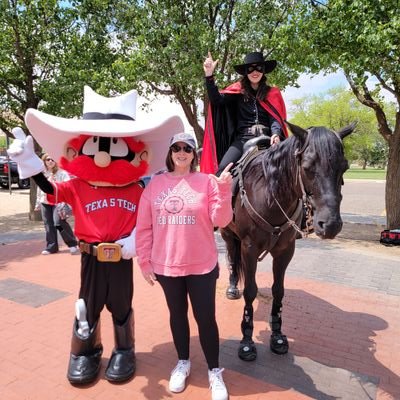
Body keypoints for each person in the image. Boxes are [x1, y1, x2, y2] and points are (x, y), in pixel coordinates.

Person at [7, 85, 184, 385]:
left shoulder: (138, 188)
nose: (102, 157)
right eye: (95, 147)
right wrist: (31, 164)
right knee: (87, 303)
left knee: (121, 302)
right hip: (90, 256)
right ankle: (85, 350)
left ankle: (125, 349)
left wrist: (137, 242)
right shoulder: (78, 185)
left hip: (121, 257)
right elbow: (51, 192)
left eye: (114, 147)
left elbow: (155, 216)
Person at [136, 133, 233, 400]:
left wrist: (224, 190)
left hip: (202, 265)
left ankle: (214, 370)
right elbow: (144, 227)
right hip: (167, 266)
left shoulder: (207, 182)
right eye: (176, 148)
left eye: (187, 148)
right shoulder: (155, 185)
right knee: (177, 315)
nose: (181, 152)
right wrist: (144, 260)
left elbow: (222, 220)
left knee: (205, 319)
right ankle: (183, 362)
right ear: (170, 153)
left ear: (194, 154)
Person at [201, 51, 288, 175]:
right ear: (246, 72)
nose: (255, 72)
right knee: (222, 170)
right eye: (251, 69)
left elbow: (275, 118)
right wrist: (209, 74)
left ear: (263, 71)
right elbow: (216, 100)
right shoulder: (238, 90)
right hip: (243, 139)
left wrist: (276, 134)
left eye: (259, 68)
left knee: (290, 167)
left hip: (269, 138)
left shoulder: (272, 93)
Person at [35, 153, 78, 255]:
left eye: (52, 159)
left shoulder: (62, 173)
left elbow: (68, 186)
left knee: (58, 223)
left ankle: (72, 244)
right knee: (48, 225)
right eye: (47, 159)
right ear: (44, 161)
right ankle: (51, 247)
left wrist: (66, 202)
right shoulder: (43, 173)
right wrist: (37, 203)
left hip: (58, 202)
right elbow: (39, 189)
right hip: (45, 201)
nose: (50, 161)